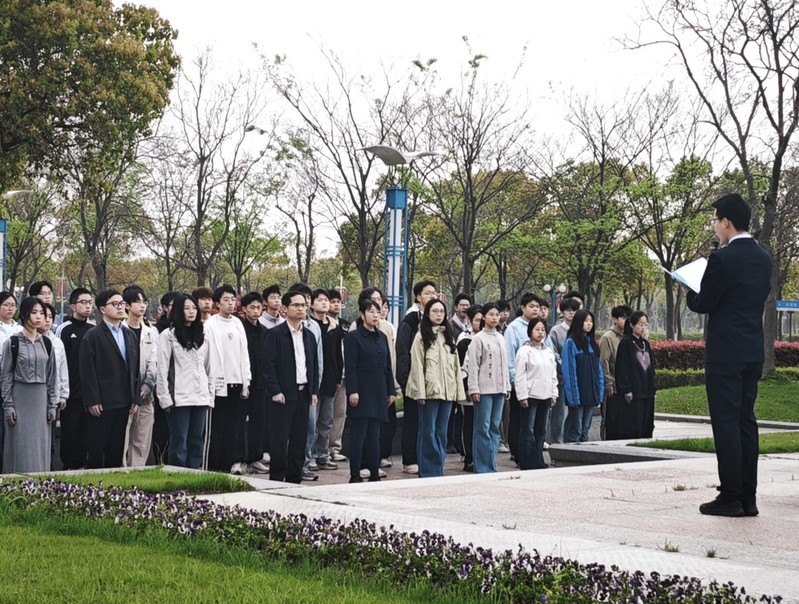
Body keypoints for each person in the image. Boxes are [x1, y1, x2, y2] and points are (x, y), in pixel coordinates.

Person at [685, 193, 771, 518]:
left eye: (715, 220)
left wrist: (689, 291)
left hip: (725, 353)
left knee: (726, 422)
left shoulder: (721, 259)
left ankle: (730, 495)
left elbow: (704, 303)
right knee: (746, 421)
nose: (714, 227)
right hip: (752, 350)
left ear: (726, 222)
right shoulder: (764, 257)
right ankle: (748, 497)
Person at [79, 289, 141, 469]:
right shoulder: (92, 336)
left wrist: (135, 398)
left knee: (116, 450)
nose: (120, 307)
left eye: (122, 303)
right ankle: (94, 485)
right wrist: (92, 400)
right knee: (97, 450)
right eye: (115, 304)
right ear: (102, 309)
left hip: (123, 401)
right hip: (101, 403)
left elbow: (135, 369)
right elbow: (87, 371)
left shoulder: (129, 335)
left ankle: (115, 483)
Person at [264, 290, 319, 484]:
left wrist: (314, 391)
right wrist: (275, 391)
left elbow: (313, 366)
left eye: (303, 305)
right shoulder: (275, 334)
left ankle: (295, 479)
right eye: (296, 305)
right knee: (279, 440)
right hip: (282, 395)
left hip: (304, 394)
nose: (300, 309)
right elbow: (268, 366)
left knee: (299, 439)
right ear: (285, 309)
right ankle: (277, 479)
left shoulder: (309, 336)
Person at [405, 298, 465, 478]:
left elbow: (456, 366)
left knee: (441, 432)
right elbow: (416, 366)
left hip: (447, 392)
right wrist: (419, 393)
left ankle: (438, 468)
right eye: (434, 311)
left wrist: (458, 393)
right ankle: (428, 471)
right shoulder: (421, 337)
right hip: (429, 392)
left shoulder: (448, 336)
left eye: (441, 311)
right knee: (428, 432)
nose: (439, 315)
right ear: (427, 314)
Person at [157, 294, 214, 469]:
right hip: (178, 398)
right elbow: (162, 369)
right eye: (186, 308)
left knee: (197, 440)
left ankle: (195, 473)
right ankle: (177, 475)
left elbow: (209, 367)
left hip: (200, 396)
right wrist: (164, 397)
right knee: (179, 441)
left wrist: (210, 394)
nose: (191, 311)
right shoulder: (168, 335)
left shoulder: (203, 334)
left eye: (194, 308)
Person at [1, 297, 57, 473]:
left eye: (42, 313)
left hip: (41, 401)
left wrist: (52, 405)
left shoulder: (47, 343)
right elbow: (5, 376)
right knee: (19, 445)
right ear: (24, 314)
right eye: (34, 312)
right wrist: (8, 405)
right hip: (19, 399)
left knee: (41, 444)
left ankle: (41, 483)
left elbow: (52, 376)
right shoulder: (13, 343)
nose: (39, 317)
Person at [344, 299, 394, 483]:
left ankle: (374, 472)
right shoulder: (353, 337)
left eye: (377, 312)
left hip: (379, 391)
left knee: (375, 434)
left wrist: (391, 391)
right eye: (371, 311)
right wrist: (353, 391)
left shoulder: (382, 336)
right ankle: (355, 474)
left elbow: (387, 366)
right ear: (362, 314)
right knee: (359, 434)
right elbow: (350, 367)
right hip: (362, 391)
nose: (375, 315)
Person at [205, 284, 251, 474]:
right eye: (226, 300)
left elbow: (244, 354)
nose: (231, 303)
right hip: (218, 385)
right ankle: (213, 466)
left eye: (233, 299)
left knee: (234, 427)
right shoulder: (210, 325)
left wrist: (246, 380)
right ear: (217, 303)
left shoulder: (238, 323)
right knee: (218, 428)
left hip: (237, 382)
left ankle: (228, 465)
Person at [396, 279, 438, 475]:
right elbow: (402, 351)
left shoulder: (438, 321)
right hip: (413, 380)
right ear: (418, 297)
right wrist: (405, 380)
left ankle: (427, 457)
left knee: (429, 423)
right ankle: (410, 459)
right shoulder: (410, 321)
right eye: (428, 293)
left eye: (434, 293)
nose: (432, 296)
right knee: (412, 421)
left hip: (433, 382)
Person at [466, 303, 510, 473]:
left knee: (494, 427)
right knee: (482, 427)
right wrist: (473, 388)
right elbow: (473, 365)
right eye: (491, 314)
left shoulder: (500, 337)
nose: (494, 317)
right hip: (484, 390)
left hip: (499, 389)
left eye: (497, 314)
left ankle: (491, 464)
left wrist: (507, 386)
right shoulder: (478, 338)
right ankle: (482, 466)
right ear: (484, 317)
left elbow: (505, 364)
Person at [56, 288, 94, 470]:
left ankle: (83, 465)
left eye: (90, 302)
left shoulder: (93, 330)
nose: (87, 306)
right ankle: (68, 467)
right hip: (70, 392)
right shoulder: (64, 329)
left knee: (86, 433)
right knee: (69, 432)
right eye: (83, 302)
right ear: (73, 306)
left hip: (89, 393)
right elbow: (58, 361)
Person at [514, 317, 558, 470]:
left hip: (546, 395)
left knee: (541, 431)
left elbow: (553, 374)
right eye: (537, 330)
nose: (540, 333)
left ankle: (539, 459)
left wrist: (554, 393)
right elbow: (520, 375)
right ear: (530, 331)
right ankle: (527, 461)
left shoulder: (548, 351)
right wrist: (522, 396)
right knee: (528, 430)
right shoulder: (524, 351)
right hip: (531, 395)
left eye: (542, 330)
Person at [122, 286, 159, 467]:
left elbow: (154, 362)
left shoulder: (151, 332)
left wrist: (147, 386)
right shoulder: (120, 331)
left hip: (145, 397)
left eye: (144, 301)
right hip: (124, 396)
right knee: (123, 440)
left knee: (141, 442)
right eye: (137, 301)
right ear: (127, 305)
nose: (142, 305)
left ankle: (137, 474)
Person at [504, 293, 541, 464]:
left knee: (534, 422)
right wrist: (515, 381)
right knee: (519, 420)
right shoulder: (513, 328)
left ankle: (533, 454)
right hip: (520, 382)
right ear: (523, 307)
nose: (535, 309)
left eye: (537, 306)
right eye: (531, 306)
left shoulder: (540, 327)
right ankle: (518, 453)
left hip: (538, 384)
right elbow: (510, 358)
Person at [309, 288, 343, 471]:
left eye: (326, 300)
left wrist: (337, 377)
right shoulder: (308, 326)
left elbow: (338, 355)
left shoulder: (334, 327)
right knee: (311, 422)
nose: (324, 303)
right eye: (320, 300)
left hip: (330, 381)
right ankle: (311, 456)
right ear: (312, 304)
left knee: (326, 421)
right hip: (313, 382)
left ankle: (323, 454)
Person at [561, 309, 603, 443]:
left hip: (591, 393)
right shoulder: (571, 343)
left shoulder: (592, 344)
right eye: (586, 320)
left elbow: (599, 371)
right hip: (578, 395)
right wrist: (573, 396)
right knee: (576, 430)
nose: (589, 324)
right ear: (579, 322)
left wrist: (599, 392)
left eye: (591, 321)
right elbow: (569, 371)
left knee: (585, 430)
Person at [239, 291, 270, 474]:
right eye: (252, 307)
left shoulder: (265, 331)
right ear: (244, 309)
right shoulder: (239, 329)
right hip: (243, 383)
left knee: (259, 422)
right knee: (239, 422)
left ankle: (255, 458)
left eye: (259, 307)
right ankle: (238, 458)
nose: (256, 311)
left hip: (261, 384)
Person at [614, 311, 656, 439]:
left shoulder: (645, 343)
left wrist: (653, 386)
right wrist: (626, 389)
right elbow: (622, 367)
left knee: (646, 423)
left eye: (645, 325)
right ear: (632, 325)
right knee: (634, 423)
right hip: (634, 391)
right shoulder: (626, 342)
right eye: (640, 324)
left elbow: (650, 367)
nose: (643, 328)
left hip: (647, 390)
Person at [545, 297, 581, 444]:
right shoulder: (556, 330)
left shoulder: (581, 330)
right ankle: (556, 442)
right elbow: (553, 352)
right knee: (559, 413)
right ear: (562, 312)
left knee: (575, 412)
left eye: (574, 310)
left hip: (578, 377)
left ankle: (570, 441)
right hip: (561, 377)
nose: (571, 313)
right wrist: (566, 365)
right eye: (568, 310)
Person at [599, 305, 632, 440]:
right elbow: (604, 361)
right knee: (611, 422)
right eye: (623, 318)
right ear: (615, 319)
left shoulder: (629, 337)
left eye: (628, 318)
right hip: (613, 387)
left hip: (626, 387)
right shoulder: (608, 337)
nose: (626, 321)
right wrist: (609, 383)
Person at [456, 304, 483, 470]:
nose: (480, 323)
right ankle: (469, 457)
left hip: (485, 389)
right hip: (469, 390)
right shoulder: (464, 339)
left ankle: (481, 456)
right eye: (477, 320)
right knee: (469, 422)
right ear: (470, 320)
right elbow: (461, 367)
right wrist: (466, 388)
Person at [0, 291, 22, 471]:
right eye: (6, 305)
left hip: (18, 383)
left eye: (13, 305)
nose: (10, 308)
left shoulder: (20, 330)